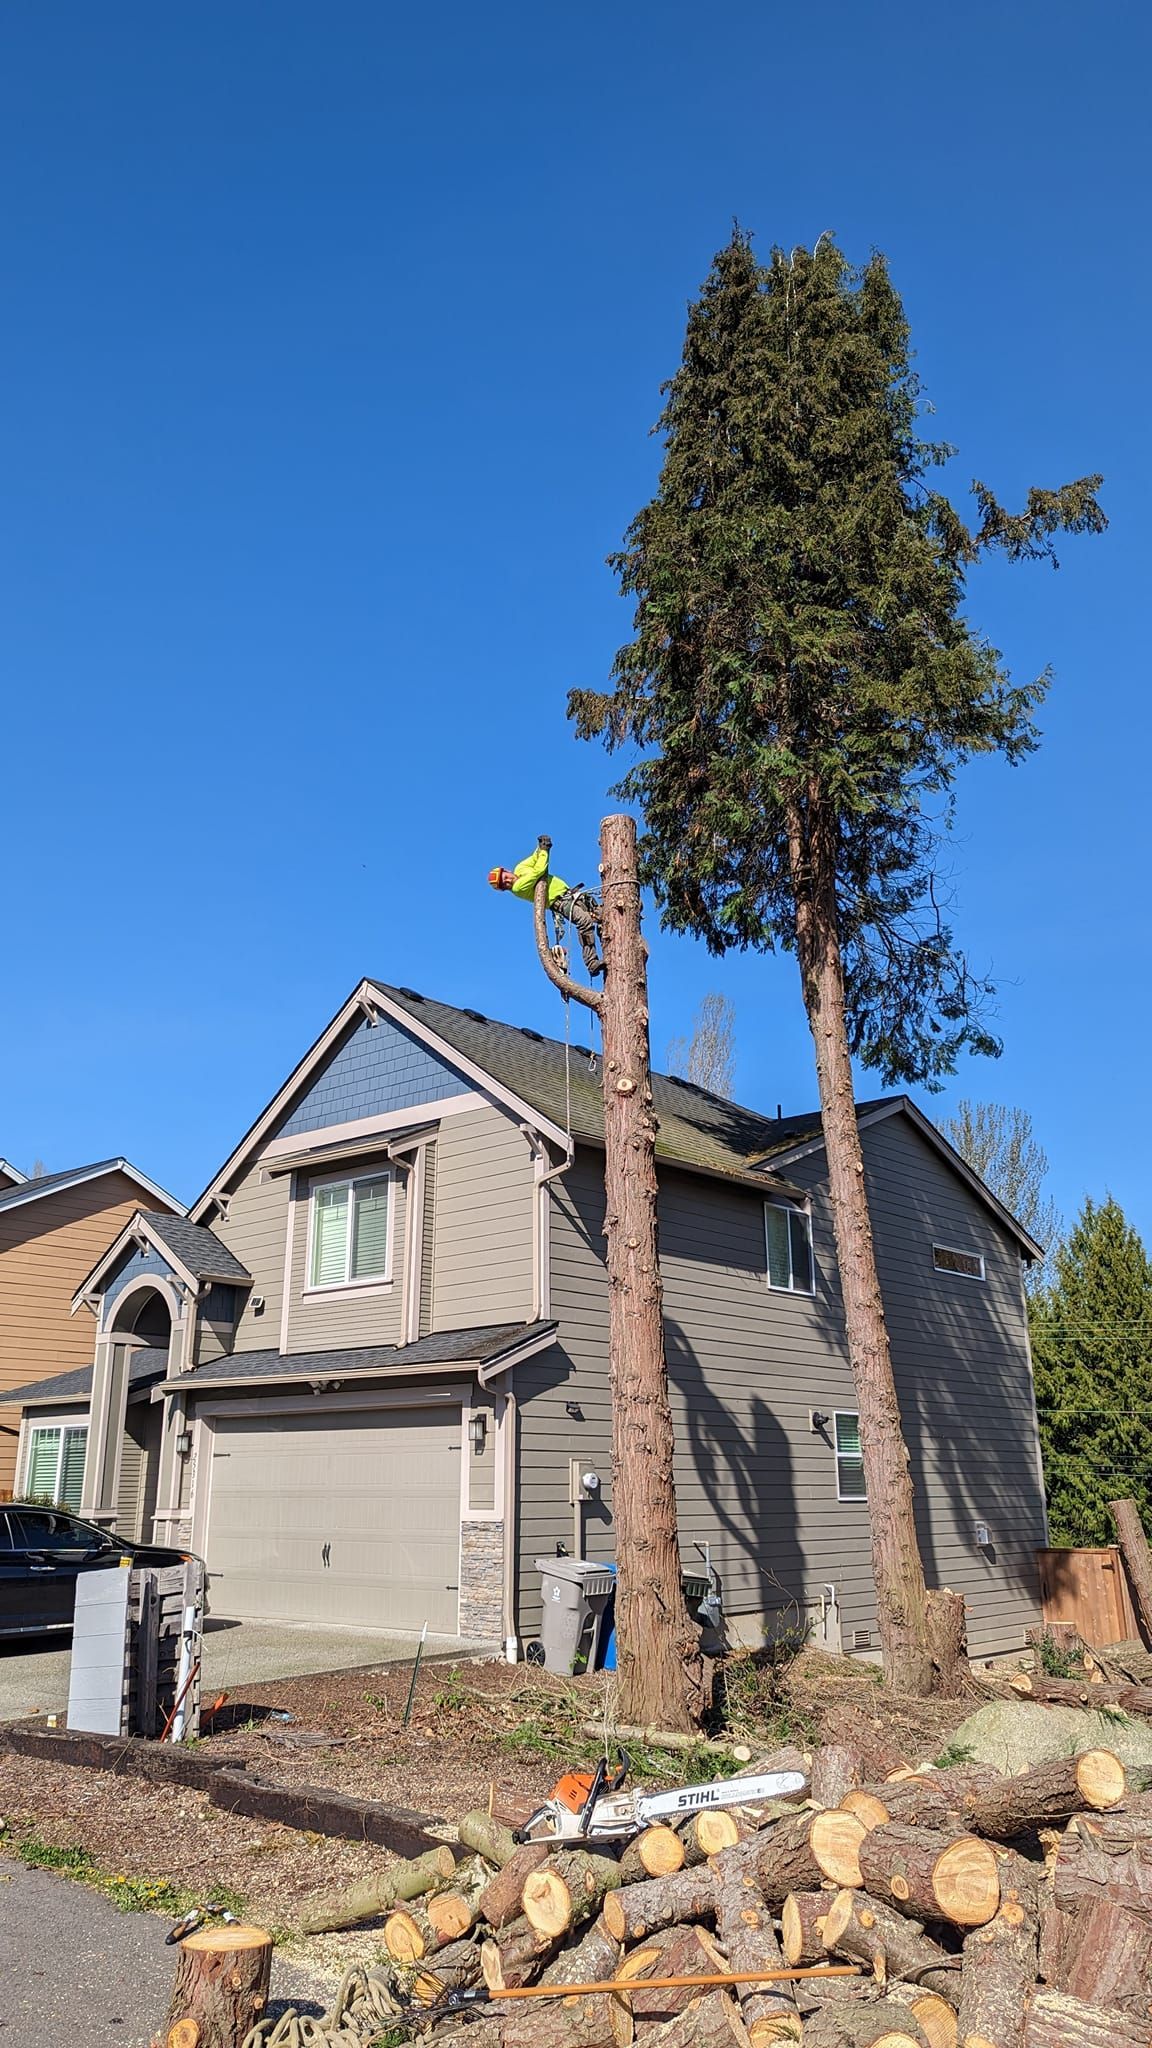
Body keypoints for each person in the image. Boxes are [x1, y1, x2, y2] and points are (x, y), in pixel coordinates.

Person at [488, 835, 604, 977]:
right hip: (560, 903)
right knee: (584, 921)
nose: (507, 881)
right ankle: (591, 963)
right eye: (504, 884)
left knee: (601, 914)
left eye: (505, 877)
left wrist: (540, 847)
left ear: (506, 870)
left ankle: (611, 944)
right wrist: (544, 850)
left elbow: (534, 858)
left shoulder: (520, 868)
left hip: (570, 894)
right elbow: (538, 871)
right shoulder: (518, 887)